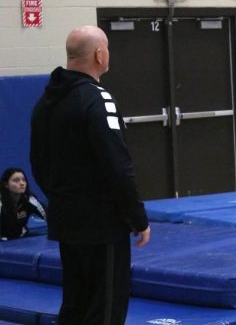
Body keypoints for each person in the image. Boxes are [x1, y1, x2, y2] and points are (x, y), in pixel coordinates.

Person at [30, 25, 150, 324]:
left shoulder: (46, 100)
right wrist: (136, 216)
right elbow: (118, 165)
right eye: (107, 48)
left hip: (66, 218)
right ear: (100, 54)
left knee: (76, 302)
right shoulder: (97, 99)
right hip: (101, 224)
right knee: (105, 305)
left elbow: (37, 162)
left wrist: (62, 198)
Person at [0, 167, 46, 240]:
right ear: (6, 184)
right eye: (16, 180)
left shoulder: (30, 199)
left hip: (22, 239)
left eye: (24, 180)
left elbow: (50, 217)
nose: (22, 183)